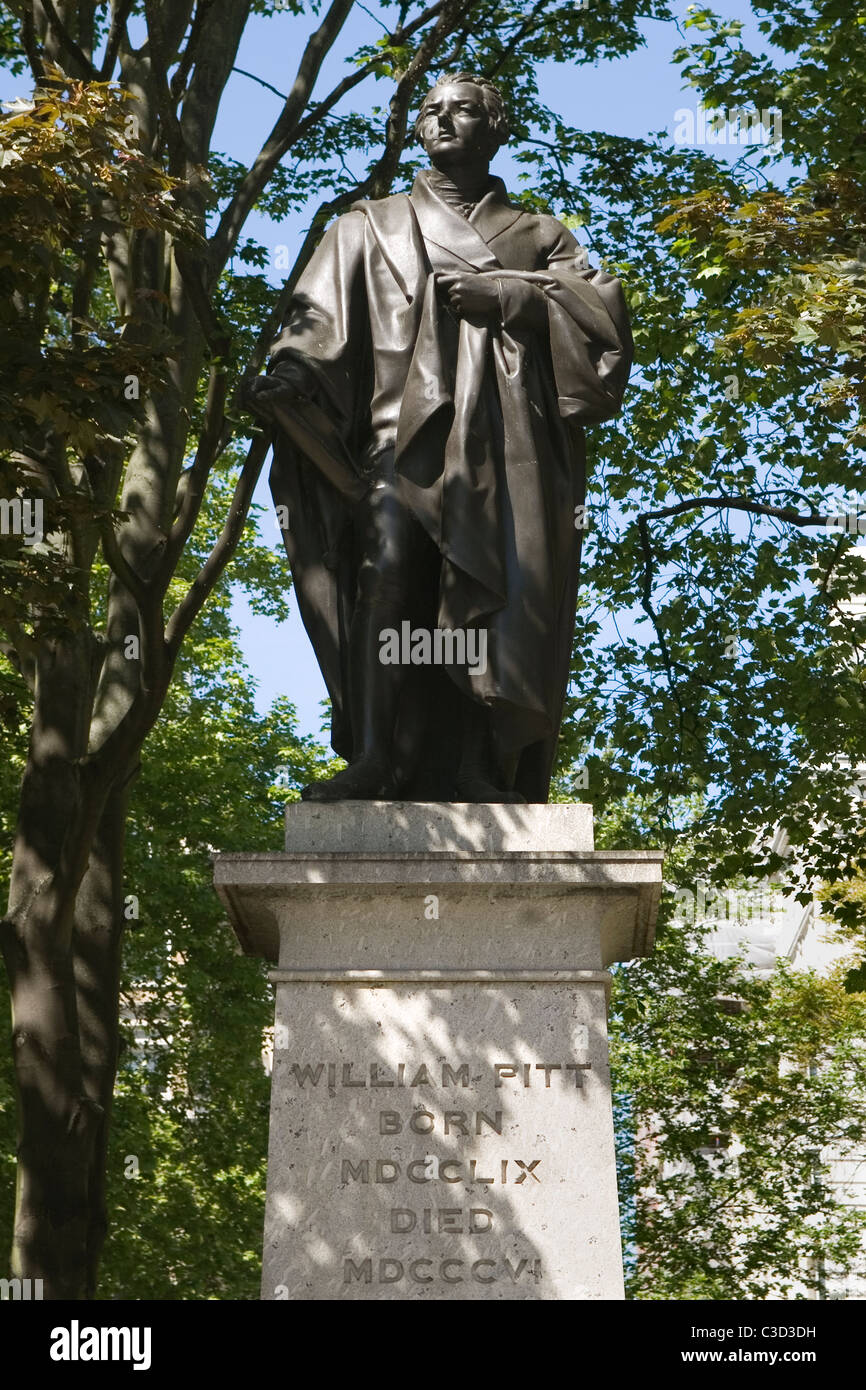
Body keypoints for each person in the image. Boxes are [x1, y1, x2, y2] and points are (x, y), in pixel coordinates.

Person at [244, 72, 632, 803]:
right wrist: (290, 378)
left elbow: (602, 333)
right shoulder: (366, 225)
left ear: (497, 128)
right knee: (385, 573)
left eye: (464, 109)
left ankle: (477, 767)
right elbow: (314, 328)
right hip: (400, 443)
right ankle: (377, 757)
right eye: (432, 109)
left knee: (493, 592)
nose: (443, 119)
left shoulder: (541, 236)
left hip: (506, 454)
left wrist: (517, 296)